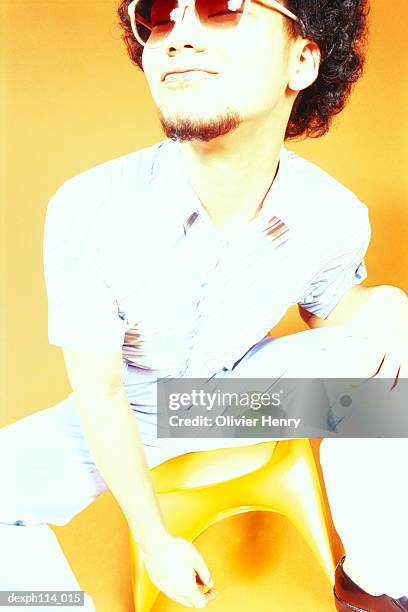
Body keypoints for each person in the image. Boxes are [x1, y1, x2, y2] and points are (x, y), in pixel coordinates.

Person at [1, 0, 407, 610]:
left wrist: (391, 305)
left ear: (302, 61)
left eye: (223, 7)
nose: (177, 37)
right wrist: (155, 540)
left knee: (389, 370)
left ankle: (380, 583)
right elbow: (101, 393)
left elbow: (332, 312)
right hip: (126, 410)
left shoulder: (331, 214)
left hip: (224, 402)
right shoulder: (90, 207)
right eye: (158, 16)